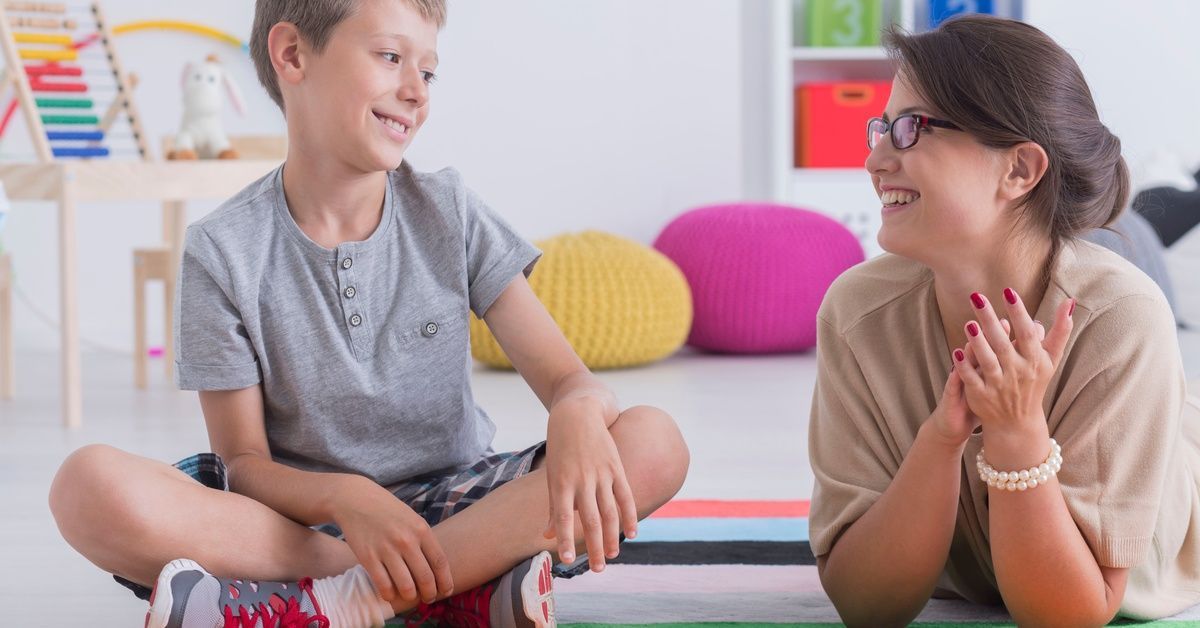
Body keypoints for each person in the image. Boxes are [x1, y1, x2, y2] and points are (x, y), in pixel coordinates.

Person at [47, 1, 690, 626]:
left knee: (653, 440)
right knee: (86, 486)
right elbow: (244, 464)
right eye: (390, 57)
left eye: (428, 70)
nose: (416, 91)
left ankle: (335, 603)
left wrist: (577, 410)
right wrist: (344, 496)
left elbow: (570, 380)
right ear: (293, 55)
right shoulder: (222, 250)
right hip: (299, 524)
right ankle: (450, 589)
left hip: (463, 502)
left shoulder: (451, 211)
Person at [808, 14, 1200, 626]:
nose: (875, 159)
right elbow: (867, 607)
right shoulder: (856, 312)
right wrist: (942, 439)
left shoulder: (1121, 317)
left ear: (1019, 169)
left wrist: (1016, 433)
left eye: (910, 129)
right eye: (880, 128)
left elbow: (1067, 614)